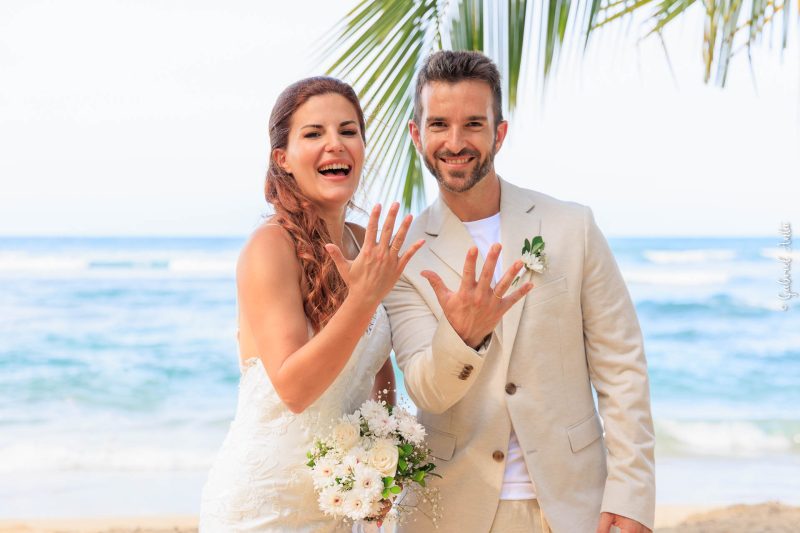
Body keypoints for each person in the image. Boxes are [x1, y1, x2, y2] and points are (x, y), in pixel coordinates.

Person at [384, 51, 656, 533]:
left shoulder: (573, 226)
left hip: (572, 504)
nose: (455, 142)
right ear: (416, 135)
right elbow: (425, 387)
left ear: (499, 133)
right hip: (448, 508)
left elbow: (622, 366)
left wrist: (632, 495)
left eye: (473, 123)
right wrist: (463, 334)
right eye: (439, 124)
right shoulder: (403, 255)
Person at [199, 76, 424, 531]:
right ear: (282, 158)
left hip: (343, 504)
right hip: (266, 505)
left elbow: (378, 373)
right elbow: (295, 389)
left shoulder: (368, 245)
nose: (335, 145)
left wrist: (382, 464)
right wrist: (363, 299)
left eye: (348, 131)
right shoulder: (270, 247)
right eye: (314, 134)